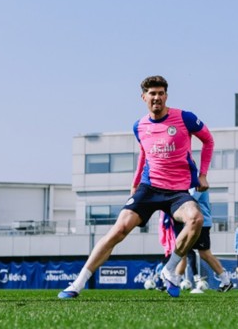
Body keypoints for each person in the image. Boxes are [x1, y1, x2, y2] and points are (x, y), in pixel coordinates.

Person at [59, 76, 213, 299]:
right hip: (149, 188)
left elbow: (208, 141)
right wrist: (134, 184)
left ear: (166, 96)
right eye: (152, 93)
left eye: (161, 93)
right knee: (118, 230)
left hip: (178, 191)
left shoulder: (185, 118)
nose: (157, 97)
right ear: (144, 97)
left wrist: (203, 174)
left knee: (196, 219)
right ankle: (77, 284)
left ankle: (170, 269)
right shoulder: (139, 126)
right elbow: (144, 153)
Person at [173, 188, 233, 293]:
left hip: (201, 223)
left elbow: (191, 200)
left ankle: (226, 282)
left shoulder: (198, 183)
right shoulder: (191, 182)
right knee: (182, 251)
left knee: (205, 254)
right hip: (192, 223)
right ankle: (174, 283)